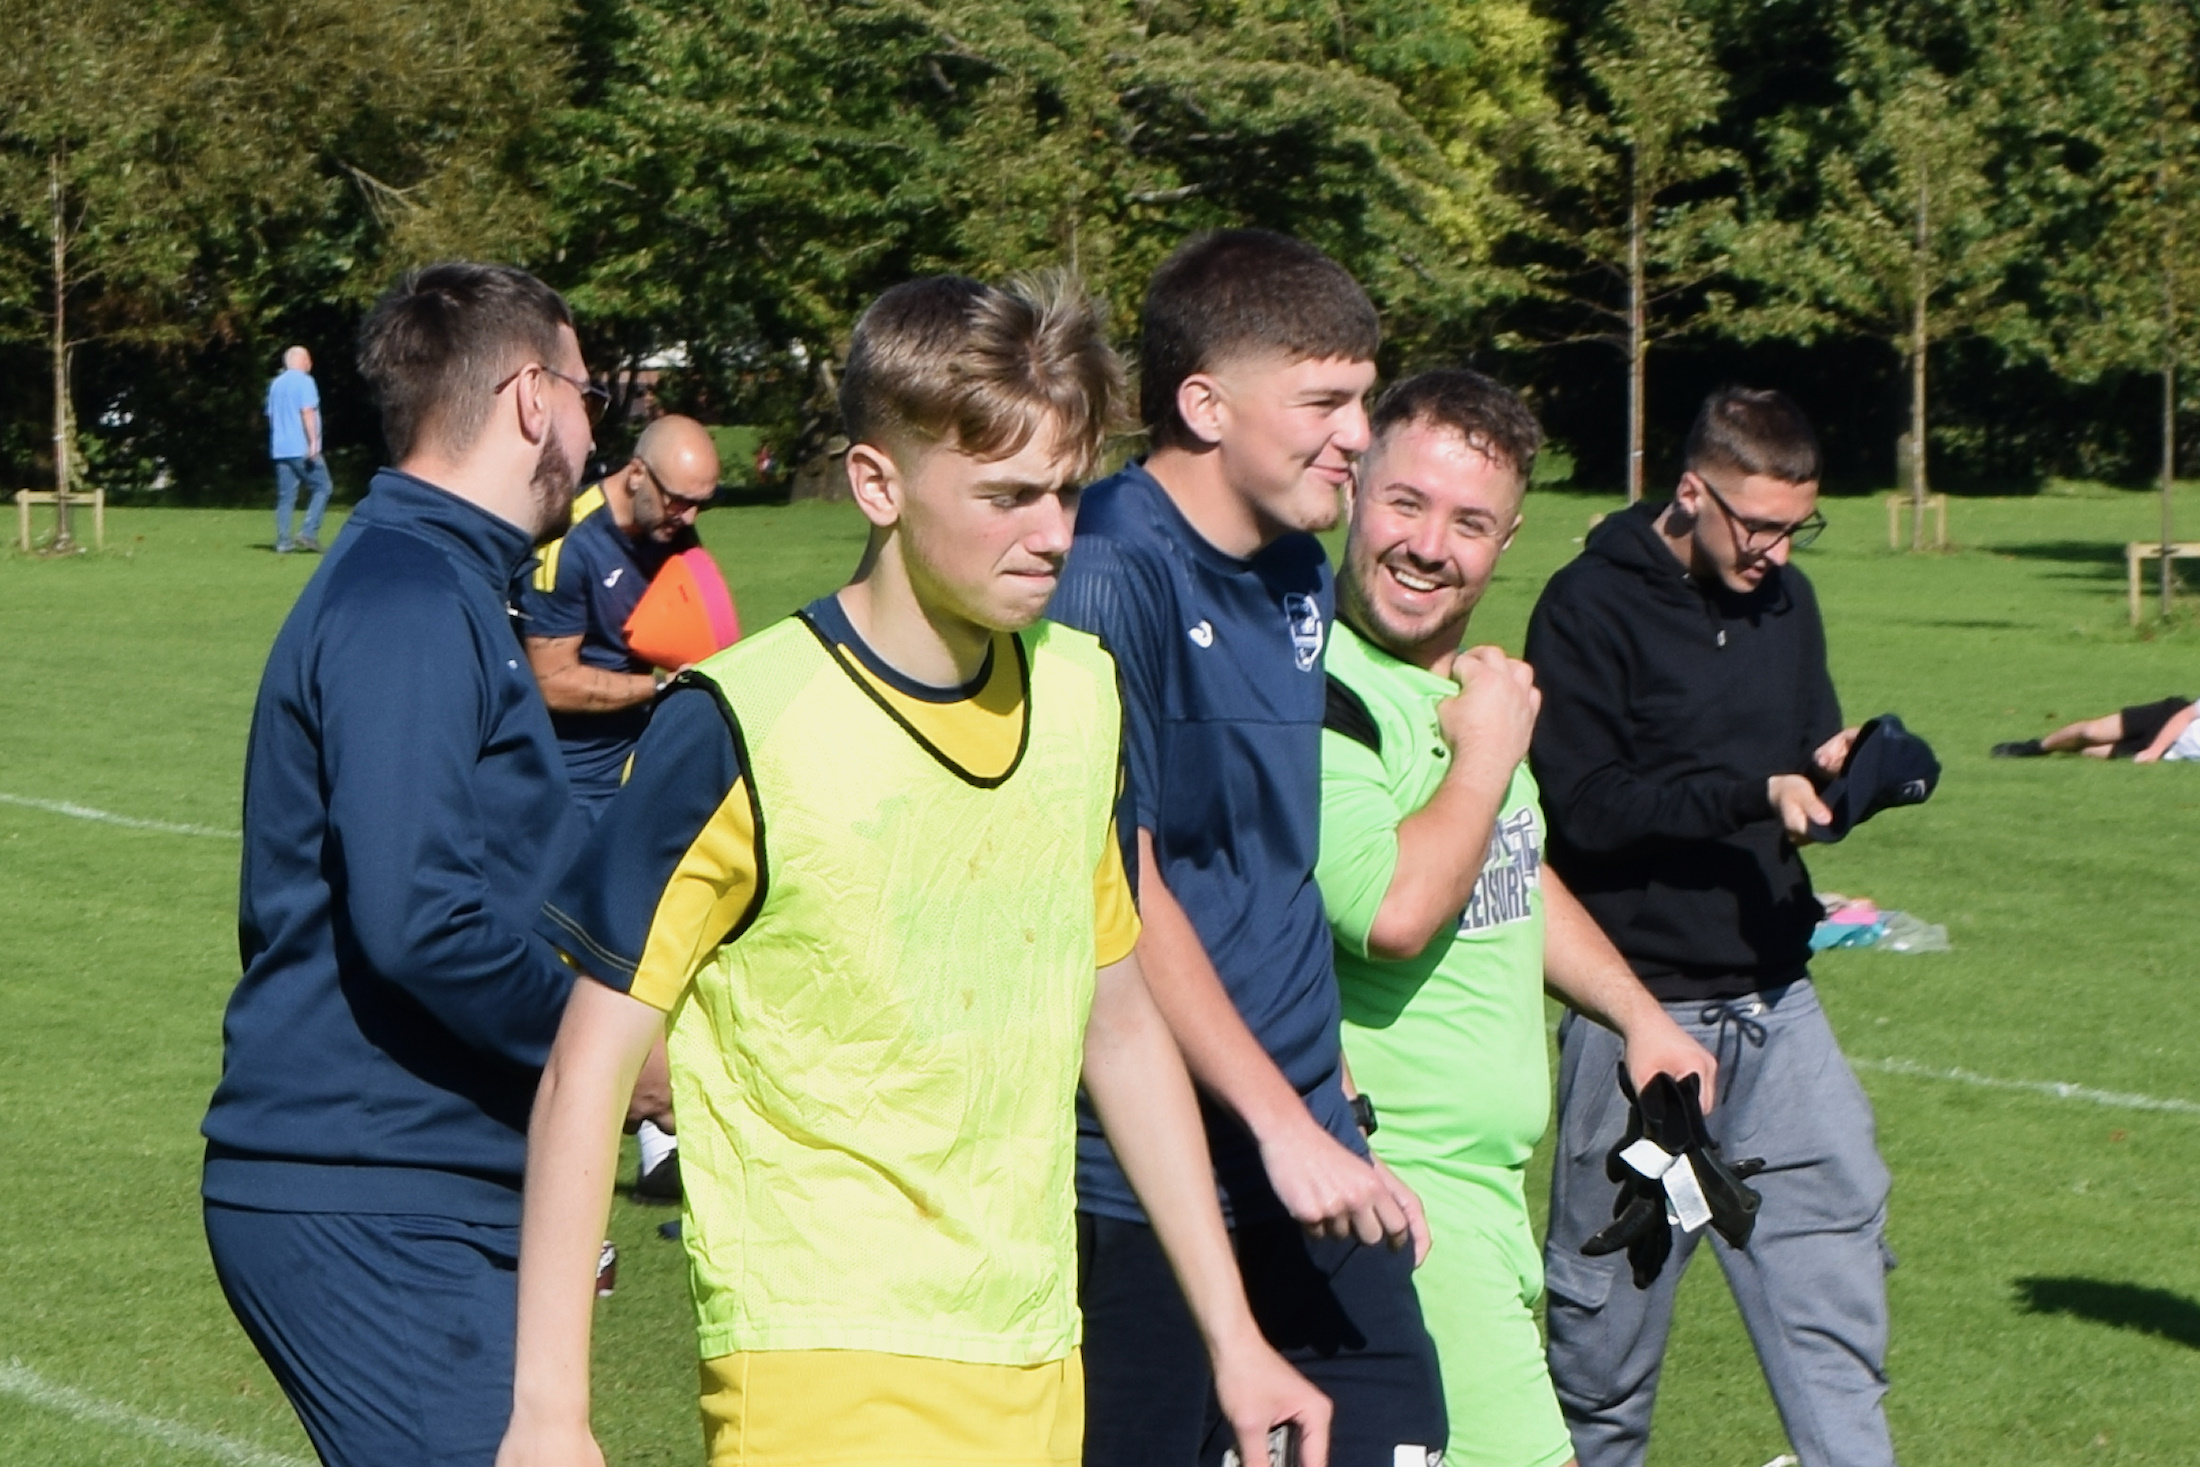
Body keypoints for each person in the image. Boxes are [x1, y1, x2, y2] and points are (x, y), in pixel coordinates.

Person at [495, 273, 1329, 1467]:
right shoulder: (742, 719)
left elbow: (1120, 1017)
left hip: (1037, 1356)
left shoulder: (1083, 695)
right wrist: (550, 1412)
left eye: (1065, 492)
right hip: (819, 1365)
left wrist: (1234, 1338)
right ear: (875, 483)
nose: (1051, 533)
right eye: (1003, 496)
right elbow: (588, 1068)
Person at [201, 263, 641, 1467]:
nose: (597, 434)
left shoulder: (449, 582)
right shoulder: (406, 595)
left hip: (423, 1183)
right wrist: (612, 1053)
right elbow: (417, 918)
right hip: (372, 1190)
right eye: (590, 392)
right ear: (533, 399)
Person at [1048, 230, 1449, 1467]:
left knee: (1400, 1438)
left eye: (1363, 400)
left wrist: (1322, 1125)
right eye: (1325, 401)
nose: (1355, 435)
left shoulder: (1294, 567)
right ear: (1203, 404)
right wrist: (1278, 1126)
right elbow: (1122, 886)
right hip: (1146, 1171)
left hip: (1311, 1139)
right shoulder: (1107, 567)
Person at [1314, 369, 1717, 1467]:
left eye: (1469, 522)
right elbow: (1393, 909)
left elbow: (1514, 872)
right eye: (1406, 504)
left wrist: (1638, 1017)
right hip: (1393, 1196)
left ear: (1507, 541)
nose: (1429, 546)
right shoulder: (1323, 695)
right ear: (1350, 489)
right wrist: (1486, 752)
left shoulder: (1460, 693)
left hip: (1483, 1198)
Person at [1525, 387, 1892, 1467]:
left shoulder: (1789, 602)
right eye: (1759, 525)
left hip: (1781, 1011)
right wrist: (1751, 791)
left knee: (1837, 1324)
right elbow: (1585, 806)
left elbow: (1803, 747)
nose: (1778, 551)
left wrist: (1844, 773)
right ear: (1692, 492)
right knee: (1601, 1365)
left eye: (1797, 527)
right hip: (1639, 1027)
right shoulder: (1586, 606)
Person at [520, 414, 722, 818]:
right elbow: (552, 682)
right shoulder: (568, 543)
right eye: (679, 501)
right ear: (636, 474)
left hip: (649, 755)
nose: (690, 518)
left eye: (702, 504)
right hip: (576, 779)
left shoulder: (670, 527)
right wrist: (663, 687)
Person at [268, 345, 336, 553]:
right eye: (308, 359)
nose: (310, 363)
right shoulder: (306, 382)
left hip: (281, 448)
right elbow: (307, 412)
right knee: (323, 486)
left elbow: (271, 416)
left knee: (286, 495)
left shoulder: (276, 384)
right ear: (300, 361)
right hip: (301, 447)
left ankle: (283, 541)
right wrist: (314, 442)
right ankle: (308, 532)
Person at [1993, 697, 2200, 761]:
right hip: (2166, 719)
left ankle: (2057, 750)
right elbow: (2185, 715)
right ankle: (2037, 746)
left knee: (2090, 751)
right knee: (2091, 732)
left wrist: (2159, 752)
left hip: (2170, 751)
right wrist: (2154, 749)